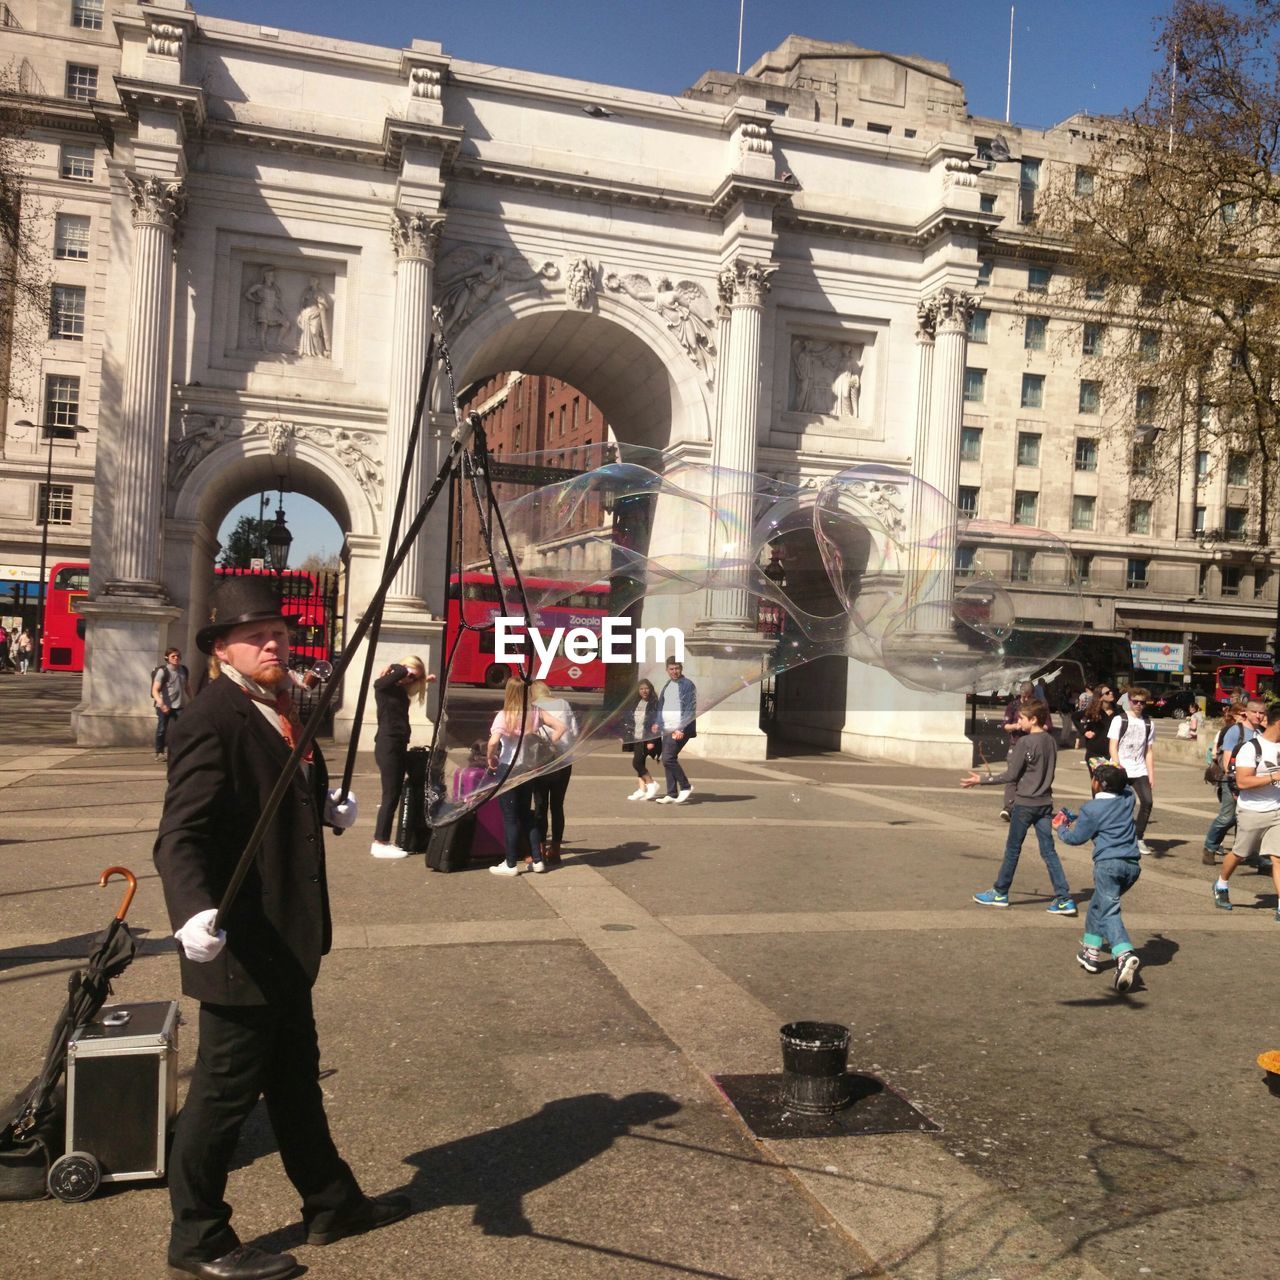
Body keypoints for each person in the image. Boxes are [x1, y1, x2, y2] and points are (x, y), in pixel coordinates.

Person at [153, 577, 407, 1280]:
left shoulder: (280, 707)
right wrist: (192, 913)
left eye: (280, 633)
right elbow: (180, 836)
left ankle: (332, 1203)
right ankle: (197, 1237)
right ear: (223, 648)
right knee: (221, 1096)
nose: (274, 643)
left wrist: (323, 807)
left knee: (295, 1080)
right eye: (257, 635)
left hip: (287, 941)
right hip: (242, 945)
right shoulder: (211, 717)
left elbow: (275, 795)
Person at [963, 697, 1076, 915]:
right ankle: (1064, 898)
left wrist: (981, 780)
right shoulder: (1051, 740)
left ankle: (1000, 892)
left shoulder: (1025, 742)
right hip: (1044, 803)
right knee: (1049, 851)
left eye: (1022, 718)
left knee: (1013, 850)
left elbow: (1011, 776)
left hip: (1025, 804)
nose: (1019, 722)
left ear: (1033, 719)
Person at [1054, 763, 1143, 992]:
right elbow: (1126, 788)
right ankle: (1091, 953)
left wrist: (1061, 827)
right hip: (1132, 867)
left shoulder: (1092, 809)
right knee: (1098, 905)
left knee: (1109, 910)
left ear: (1098, 784)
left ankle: (1124, 954)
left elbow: (1075, 838)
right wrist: (1118, 771)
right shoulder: (1126, 800)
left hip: (1108, 867)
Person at [487, 678, 565, 876]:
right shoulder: (535, 712)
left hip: (509, 768)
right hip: (529, 769)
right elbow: (561, 727)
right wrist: (546, 749)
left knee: (510, 818)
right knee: (526, 815)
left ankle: (511, 863)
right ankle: (538, 861)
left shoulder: (505, 715)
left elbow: (493, 741)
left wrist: (490, 758)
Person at [1211, 701, 1280, 915]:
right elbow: (1242, 782)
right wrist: (1273, 776)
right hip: (1252, 811)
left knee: (1278, 858)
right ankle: (1221, 883)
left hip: (1277, 811)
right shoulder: (1251, 748)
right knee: (1240, 854)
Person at [370, 656, 435, 860]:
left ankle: (384, 840)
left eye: (412, 677)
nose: (409, 680)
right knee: (390, 794)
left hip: (398, 744)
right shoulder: (383, 686)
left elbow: (412, 683)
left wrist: (423, 679)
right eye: (408, 675)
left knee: (395, 792)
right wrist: (397, 667)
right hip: (387, 744)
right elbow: (395, 674)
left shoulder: (399, 690)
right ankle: (379, 841)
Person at [1204, 699, 1261, 865]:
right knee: (1227, 818)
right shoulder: (1236, 731)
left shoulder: (1261, 733)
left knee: (1251, 819)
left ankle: (1250, 853)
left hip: (1253, 782)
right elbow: (1228, 763)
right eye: (1255, 712)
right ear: (1246, 713)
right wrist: (1236, 783)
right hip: (1232, 781)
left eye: (1262, 713)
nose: (1258, 715)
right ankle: (1210, 847)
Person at [529, 679, 577, 864]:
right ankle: (555, 849)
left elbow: (531, 733)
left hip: (542, 762)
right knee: (558, 805)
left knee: (540, 804)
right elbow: (574, 730)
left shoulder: (534, 707)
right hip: (564, 761)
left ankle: (540, 848)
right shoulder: (564, 704)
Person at [1108, 686, 1157, 856]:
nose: (1138, 705)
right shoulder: (1119, 720)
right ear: (1129, 701)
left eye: (1142, 702)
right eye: (1135, 701)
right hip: (1121, 768)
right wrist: (1117, 767)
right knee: (1121, 805)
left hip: (1139, 769)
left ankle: (1138, 837)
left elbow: (1149, 751)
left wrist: (1151, 774)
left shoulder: (1149, 723)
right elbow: (1113, 746)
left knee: (1148, 802)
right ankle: (1117, 837)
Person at [654, 659, 697, 804]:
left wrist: (681, 728)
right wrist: (657, 723)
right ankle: (671, 793)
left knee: (668, 758)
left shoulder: (687, 685)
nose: (674, 671)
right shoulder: (667, 685)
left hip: (678, 729)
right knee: (667, 760)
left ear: (681, 668)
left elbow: (690, 708)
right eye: (671, 669)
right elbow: (662, 706)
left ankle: (685, 786)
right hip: (667, 727)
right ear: (667, 670)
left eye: (677, 668)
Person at [622, 678, 662, 801]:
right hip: (636, 737)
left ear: (650, 689)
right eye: (641, 689)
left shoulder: (655, 703)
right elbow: (629, 720)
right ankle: (641, 789)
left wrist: (651, 740)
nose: (644, 691)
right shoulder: (636, 703)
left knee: (637, 763)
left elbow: (656, 723)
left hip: (646, 738)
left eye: (646, 688)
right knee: (640, 763)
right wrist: (625, 735)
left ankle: (651, 784)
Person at [152, 647, 192, 762]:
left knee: (182, 728)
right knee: (162, 729)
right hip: (164, 706)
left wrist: (193, 700)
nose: (176, 658)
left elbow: (187, 687)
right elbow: (155, 690)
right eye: (173, 656)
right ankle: (159, 752)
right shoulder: (163, 671)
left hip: (179, 705)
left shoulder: (183, 670)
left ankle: (180, 751)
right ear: (167, 658)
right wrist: (161, 703)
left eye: (178, 656)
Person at [1073, 682, 1119, 775]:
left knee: (1110, 783)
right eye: (1107, 693)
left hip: (1111, 754)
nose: (1111, 693)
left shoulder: (1118, 711)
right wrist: (1084, 732)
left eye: (1111, 691)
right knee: (1097, 782)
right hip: (1095, 753)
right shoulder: (1093, 711)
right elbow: (1075, 717)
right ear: (1100, 697)